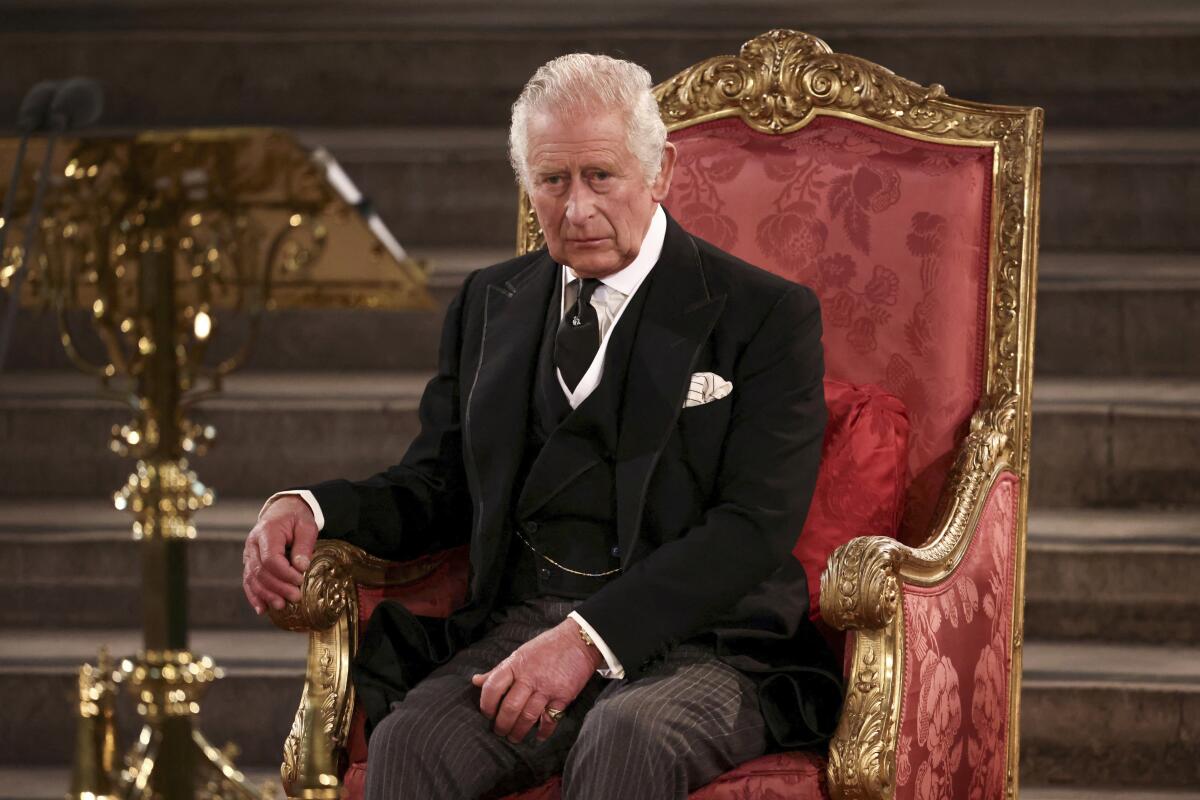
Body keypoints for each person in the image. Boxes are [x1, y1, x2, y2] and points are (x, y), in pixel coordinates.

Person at [242, 53, 841, 799]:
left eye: (602, 176)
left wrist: (590, 640)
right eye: (553, 180)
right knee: (412, 743)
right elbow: (439, 485)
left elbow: (753, 528)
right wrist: (311, 505)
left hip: (707, 644)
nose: (576, 207)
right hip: (523, 624)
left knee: (626, 739)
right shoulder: (490, 303)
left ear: (662, 172)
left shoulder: (764, 314)